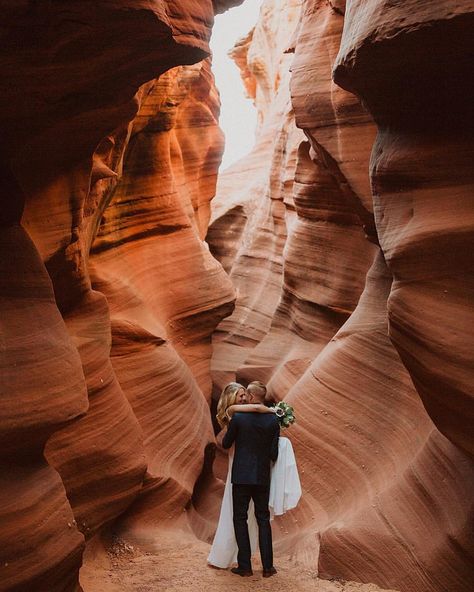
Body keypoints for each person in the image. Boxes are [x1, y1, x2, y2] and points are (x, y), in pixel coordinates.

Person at [207, 381, 301, 578]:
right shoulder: (273, 421)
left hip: (241, 476)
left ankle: (245, 566)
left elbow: (225, 443)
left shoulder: (239, 418)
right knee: (263, 519)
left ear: (249, 396)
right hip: (262, 477)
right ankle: (268, 567)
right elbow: (274, 454)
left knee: (240, 519)